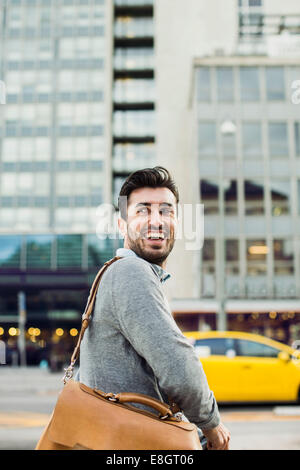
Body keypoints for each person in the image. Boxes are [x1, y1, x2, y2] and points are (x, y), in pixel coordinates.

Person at [78, 166, 230, 450]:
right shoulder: (131, 271)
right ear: (122, 225)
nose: (156, 220)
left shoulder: (117, 273)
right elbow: (177, 364)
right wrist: (211, 423)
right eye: (143, 210)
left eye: (166, 211)